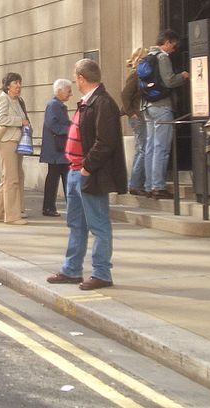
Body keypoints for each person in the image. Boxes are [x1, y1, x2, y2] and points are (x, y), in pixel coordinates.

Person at [47, 59, 127, 291]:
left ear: (82, 78)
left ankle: (102, 273)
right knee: (76, 225)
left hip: (89, 174)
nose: (75, 81)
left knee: (99, 225)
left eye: (76, 77)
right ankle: (72, 270)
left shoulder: (103, 103)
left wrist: (87, 167)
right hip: (75, 171)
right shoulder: (88, 102)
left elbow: (106, 142)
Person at [142, 30, 190, 199]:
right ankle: (158, 186)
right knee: (161, 147)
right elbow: (169, 80)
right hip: (162, 107)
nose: (174, 50)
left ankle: (148, 185)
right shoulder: (162, 57)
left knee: (150, 148)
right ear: (167, 42)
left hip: (148, 106)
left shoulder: (148, 56)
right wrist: (182, 76)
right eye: (174, 45)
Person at [0, 73, 30, 224]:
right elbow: (0, 118)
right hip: (7, 141)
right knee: (11, 178)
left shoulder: (18, 100)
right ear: (7, 86)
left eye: (19, 83)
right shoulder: (3, 98)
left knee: (12, 177)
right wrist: (20, 121)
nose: (18, 86)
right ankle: (12, 216)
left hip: (17, 142)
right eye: (15, 83)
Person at [40, 79, 72, 217]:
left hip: (59, 150)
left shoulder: (58, 105)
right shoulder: (54, 105)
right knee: (54, 179)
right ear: (59, 90)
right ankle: (49, 207)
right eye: (68, 91)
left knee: (64, 178)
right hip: (55, 150)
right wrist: (70, 129)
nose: (70, 94)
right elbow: (53, 125)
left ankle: (67, 206)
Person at [121, 48, 149, 195]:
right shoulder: (135, 75)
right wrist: (132, 113)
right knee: (142, 149)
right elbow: (125, 95)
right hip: (137, 117)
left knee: (142, 148)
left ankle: (137, 182)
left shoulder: (139, 75)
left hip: (139, 115)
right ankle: (135, 183)